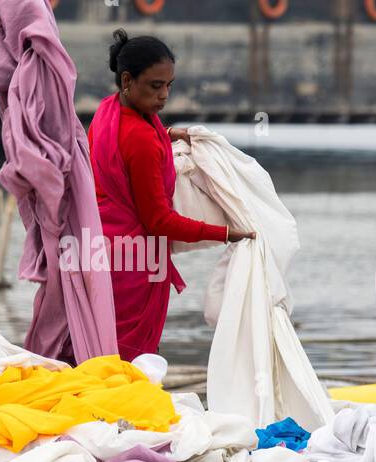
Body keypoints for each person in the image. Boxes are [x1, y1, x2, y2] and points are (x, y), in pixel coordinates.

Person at [87, 29, 255, 361]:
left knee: (98, 357)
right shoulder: (143, 138)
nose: (164, 95)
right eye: (155, 85)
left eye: (169, 85)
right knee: (129, 361)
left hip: (100, 253)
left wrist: (166, 134)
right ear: (127, 80)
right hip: (133, 270)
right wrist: (225, 234)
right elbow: (160, 221)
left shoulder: (106, 113)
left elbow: (125, 150)